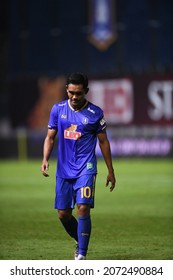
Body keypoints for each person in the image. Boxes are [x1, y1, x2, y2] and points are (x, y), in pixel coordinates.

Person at [41, 72, 116, 260]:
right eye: (71, 92)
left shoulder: (95, 113)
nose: (75, 97)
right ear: (66, 90)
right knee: (63, 214)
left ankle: (81, 255)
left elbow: (104, 142)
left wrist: (110, 171)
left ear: (86, 92)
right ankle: (80, 240)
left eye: (79, 93)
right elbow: (50, 137)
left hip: (86, 167)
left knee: (83, 208)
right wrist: (45, 159)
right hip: (64, 169)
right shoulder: (57, 110)